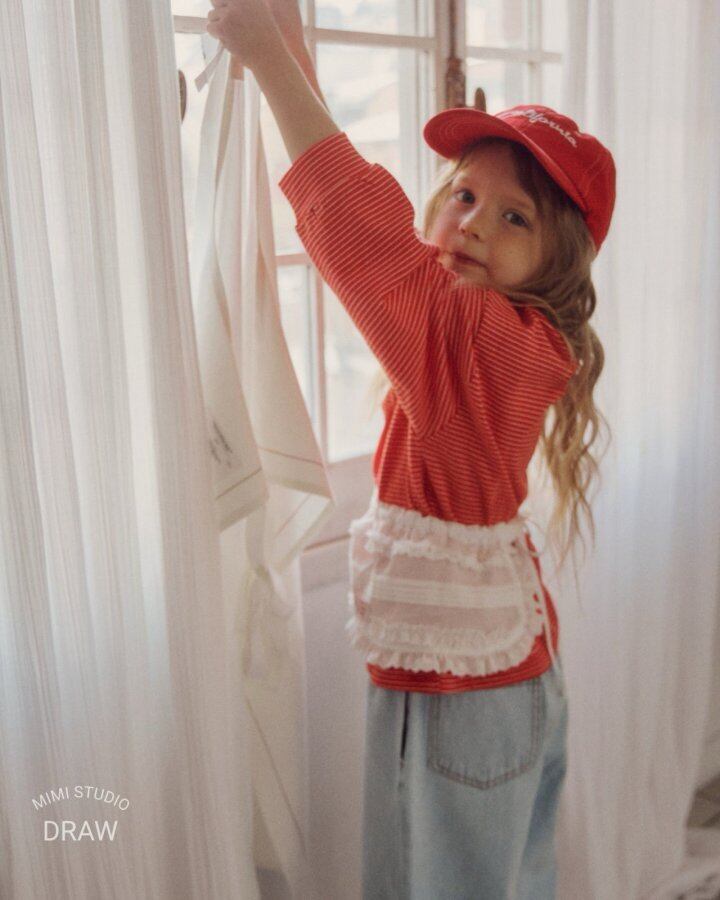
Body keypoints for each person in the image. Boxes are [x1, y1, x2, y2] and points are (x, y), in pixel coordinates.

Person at [206, 2, 616, 897]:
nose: (473, 224)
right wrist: (294, 64)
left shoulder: (488, 344)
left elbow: (369, 248)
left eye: (515, 218)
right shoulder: (508, 345)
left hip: (465, 700)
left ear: (557, 262)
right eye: (464, 195)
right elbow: (384, 247)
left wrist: (272, 64)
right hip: (491, 680)